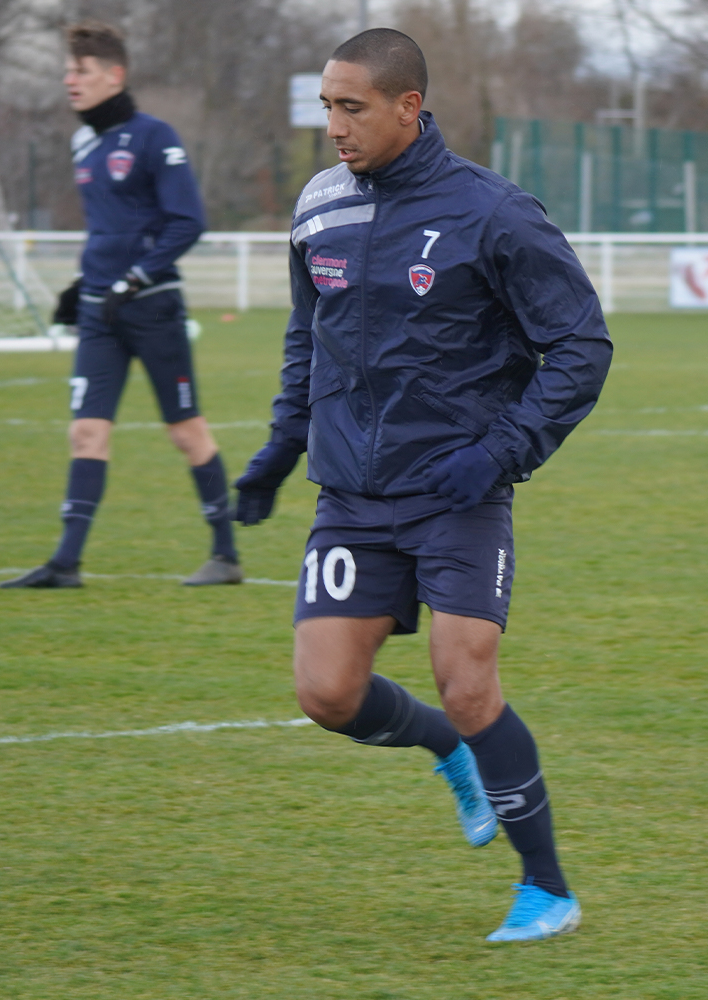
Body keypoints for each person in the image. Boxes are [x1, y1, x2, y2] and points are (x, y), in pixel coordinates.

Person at [233, 29, 612, 941]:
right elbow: (306, 339)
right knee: (325, 694)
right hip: (352, 495)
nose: (334, 125)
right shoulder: (319, 205)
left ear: (409, 107)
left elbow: (582, 345)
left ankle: (547, 889)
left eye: (352, 106)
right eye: (327, 105)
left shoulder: (494, 213)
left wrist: (503, 451)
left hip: (457, 491)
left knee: (467, 681)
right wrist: (282, 447)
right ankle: (449, 754)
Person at [1, 21, 241, 590]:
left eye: (81, 72)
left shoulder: (156, 137)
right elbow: (111, 227)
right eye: (67, 71)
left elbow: (189, 223)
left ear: (116, 75)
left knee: (186, 432)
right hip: (98, 311)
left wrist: (136, 277)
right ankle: (65, 564)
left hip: (152, 307)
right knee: (86, 433)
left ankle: (226, 555)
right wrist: (84, 282)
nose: (70, 81)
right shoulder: (83, 143)